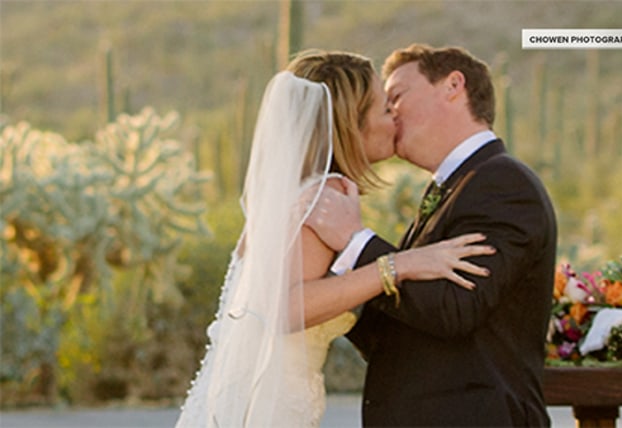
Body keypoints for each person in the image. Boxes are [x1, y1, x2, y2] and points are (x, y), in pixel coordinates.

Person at [175, 50, 495, 428]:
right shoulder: (321, 196)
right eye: (383, 109)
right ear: (349, 126)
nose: (394, 116)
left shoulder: (297, 194)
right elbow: (286, 308)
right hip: (268, 407)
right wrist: (400, 265)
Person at [307, 44, 558, 427]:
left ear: (453, 86)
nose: (389, 112)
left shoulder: (503, 183)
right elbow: (405, 326)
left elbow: (456, 307)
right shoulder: (457, 186)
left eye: (397, 96)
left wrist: (356, 243)